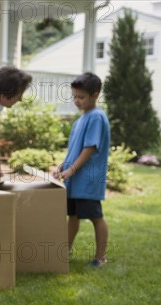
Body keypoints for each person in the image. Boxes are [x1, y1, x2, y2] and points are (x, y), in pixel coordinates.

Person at [53, 72, 110, 267]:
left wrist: (72, 170)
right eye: (75, 96)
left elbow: (90, 148)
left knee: (95, 217)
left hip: (88, 179)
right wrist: (62, 166)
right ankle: (65, 251)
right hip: (75, 179)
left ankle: (100, 258)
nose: (77, 101)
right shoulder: (80, 120)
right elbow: (74, 150)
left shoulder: (96, 117)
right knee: (73, 216)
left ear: (95, 95)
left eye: (81, 97)